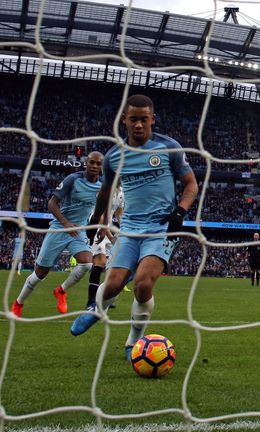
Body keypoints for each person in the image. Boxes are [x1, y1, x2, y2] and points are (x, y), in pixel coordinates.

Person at [70, 94, 198, 364]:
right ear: (124, 121)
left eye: (144, 119)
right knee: (114, 283)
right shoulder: (114, 156)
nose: (138, 125)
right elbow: (105, 191)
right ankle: (95, 311)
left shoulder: (168, 147)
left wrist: (181, 211)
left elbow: (191, 184)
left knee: (142, 283)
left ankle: (133, 341)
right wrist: (97, 220)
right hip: (129, 227)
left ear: (152, 120)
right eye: (133, 119)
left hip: (161, 227)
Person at [11, 152, 103, 317]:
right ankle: (18, 303)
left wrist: (102, 225)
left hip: (78, 230)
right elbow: (52, 204)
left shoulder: (103, 185)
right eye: (92, 163)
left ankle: (61, 291)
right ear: (86, 163)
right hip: (59, 228)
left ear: (102, 167)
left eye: (98, 164)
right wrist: (66, 223)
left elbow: (102, 207)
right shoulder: (73, 179)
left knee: (87, 264)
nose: (95, 166)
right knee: (40, 273)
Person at [81, 183, 125, 311]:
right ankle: (90, 301)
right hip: (96, 227)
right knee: (100, 261)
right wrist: (110, 235)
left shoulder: (122, 192)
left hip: (109, 228)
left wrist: (123, 230)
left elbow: (119, 213)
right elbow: (99, 214)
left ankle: (107, 296)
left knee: (115, 262)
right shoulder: (105, 189)